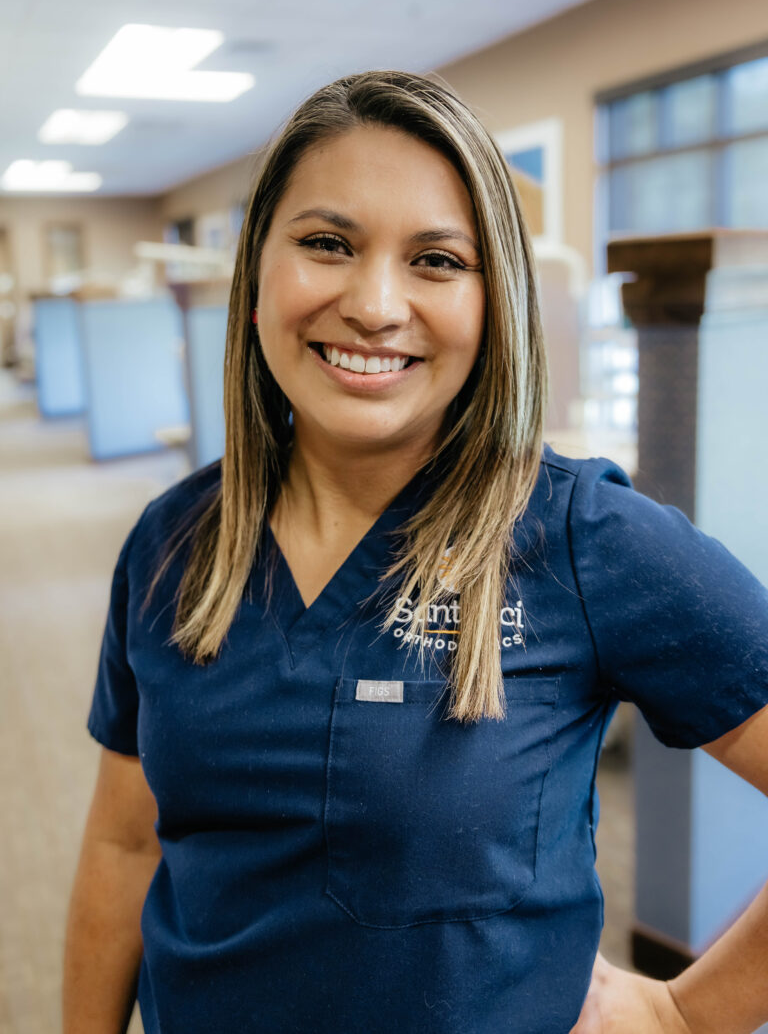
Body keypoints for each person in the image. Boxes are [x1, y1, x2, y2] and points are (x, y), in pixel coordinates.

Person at [63, 70, 768, 1034]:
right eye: (326, 243)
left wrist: (692, 1013)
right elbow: (124, 842)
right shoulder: (174, 543)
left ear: (494, 301)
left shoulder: (582, 539)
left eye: (436, 260)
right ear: (258, 272)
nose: (376, 303)